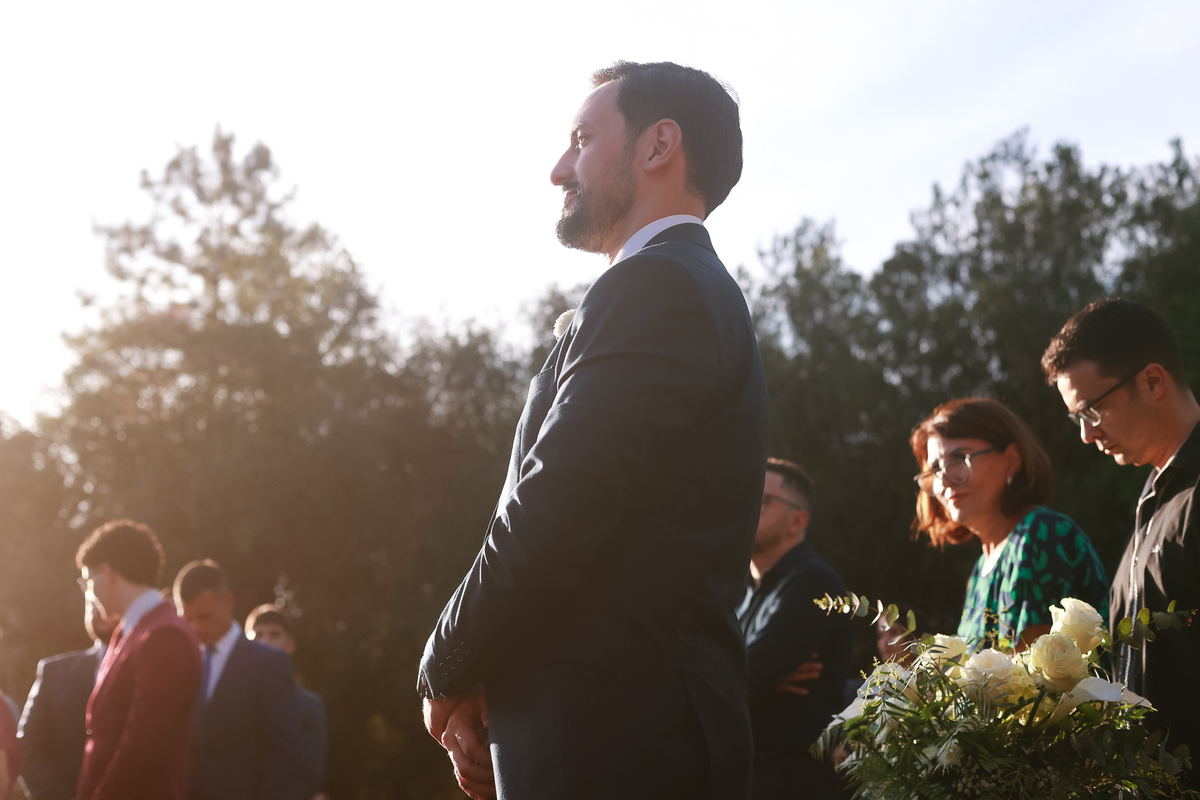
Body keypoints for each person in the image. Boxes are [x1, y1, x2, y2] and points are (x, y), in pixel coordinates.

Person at [418, 61, 767, 800]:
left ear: (658, 145)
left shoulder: (656, 285)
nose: (558, 169)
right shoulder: (675, 286)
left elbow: (559, 505)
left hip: (618, 744)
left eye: (581, 140)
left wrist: (447, 659)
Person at [1042, 297, 1200, 788]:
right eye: (1077, 418)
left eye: (1092, 409)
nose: (1086, 435)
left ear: (1152, 381)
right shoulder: (1152, 503)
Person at [911, 397, 1109, 648]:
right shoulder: (981, 569)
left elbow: (1036, 669)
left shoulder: (1041, 532)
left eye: (959, 458)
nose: (945, 480)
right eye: (936, 468)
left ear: (1012, 460)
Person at [737, 459, 851, 800]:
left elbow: (745, 676)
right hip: (750, 772)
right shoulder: (742, 591)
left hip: (788, 781)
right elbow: (738, 676)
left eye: (762, 501)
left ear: (797, 521)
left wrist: (746, 675)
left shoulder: (813, 583)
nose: (745, 508)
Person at [75, 518, 202, 800]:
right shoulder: (131, 631)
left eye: (88, 581)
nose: (89, 593)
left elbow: (142, 747)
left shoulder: (164, 636)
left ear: (107, 573)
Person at [173, 561, 308, 800]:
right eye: (187, 618)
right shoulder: (179, 662)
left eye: (204, 617)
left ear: (229, 602)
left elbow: (285, 750)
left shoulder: (268, 663)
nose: (194, 627)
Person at [18, 598, 116, 800]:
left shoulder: (153, 668)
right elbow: (27, 744)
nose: (96, 611)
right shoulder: (54, 671)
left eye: (102, 602)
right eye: (91, 603)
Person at [246, 604, 326, 800]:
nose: (265, 641)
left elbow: (308, 774)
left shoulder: (310, 706)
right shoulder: (228, 697)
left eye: (274, 634)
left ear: (290, 645)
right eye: (257, 635)